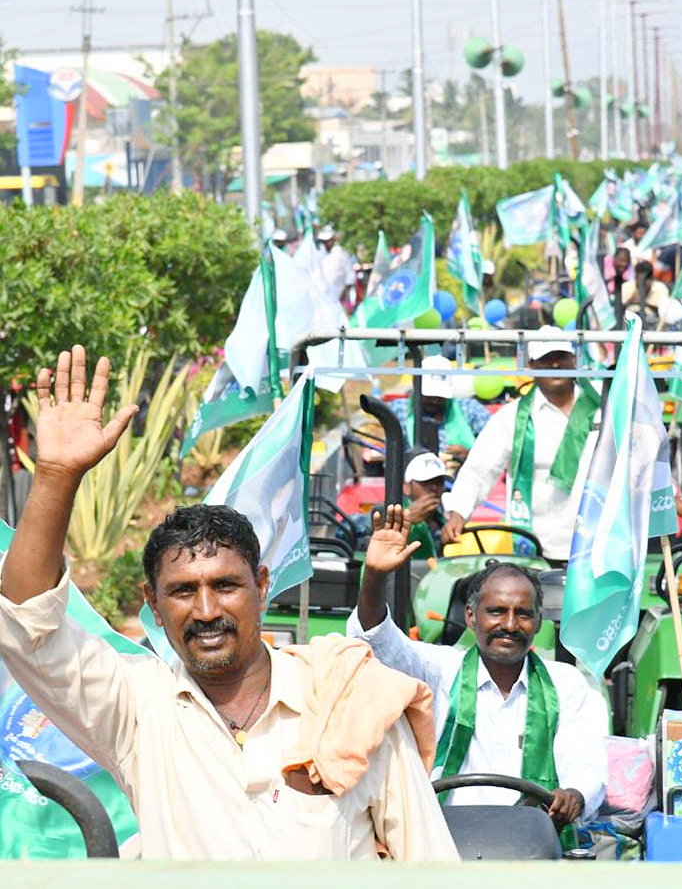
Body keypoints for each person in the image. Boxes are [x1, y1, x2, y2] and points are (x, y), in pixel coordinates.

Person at [0, 346, 457, 861]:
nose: (206, 610)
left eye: (225, 586)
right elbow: (26, 622)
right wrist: (57, 477)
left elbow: (428, 858)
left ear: (262, 586)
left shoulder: (347, 700)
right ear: (151, 601)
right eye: (182, 590)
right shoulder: (138, 708)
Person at [349, 511, 607, 828]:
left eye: (523, 614)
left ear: (538, 622)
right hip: (446, 842)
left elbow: (585, 761)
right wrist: (374, 577)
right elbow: (377, 640)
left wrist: (574, 795)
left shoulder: (566, 683)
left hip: (534, 846)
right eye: (496, 612)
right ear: (471, 617)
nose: (510, 625)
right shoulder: (439, 670)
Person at [441, 327, 600, 564]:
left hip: (598, 547)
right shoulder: (512, 417)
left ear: (574, 359)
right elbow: (478, 470)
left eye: (561, 356)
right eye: (546, 359)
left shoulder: (603, 408)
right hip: (536, 549)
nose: (555, 364)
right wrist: (458, 512)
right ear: (532, 365)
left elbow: (638, 460)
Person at [388, 355, 491, 466]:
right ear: (416, 387)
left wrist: (470, 454)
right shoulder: (399, 410)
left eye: (439, 397)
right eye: (429, 396)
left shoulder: (470, 409)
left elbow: (495, 445)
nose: (434, 401)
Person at [402, 451, 449, 559]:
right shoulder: (391, 514)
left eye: (438, 482)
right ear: (407, 488)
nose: (434, 488)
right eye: (426, 482)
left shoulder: (443, 522)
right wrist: (406, 521)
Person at [318, 225, 355, 307]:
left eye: (328, 241)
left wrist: (345, 295)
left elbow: (350, 275)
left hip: (340, 295)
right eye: (324, 241)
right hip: (325, 296)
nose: (326, 243)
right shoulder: (321, 255)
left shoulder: (341, 253)